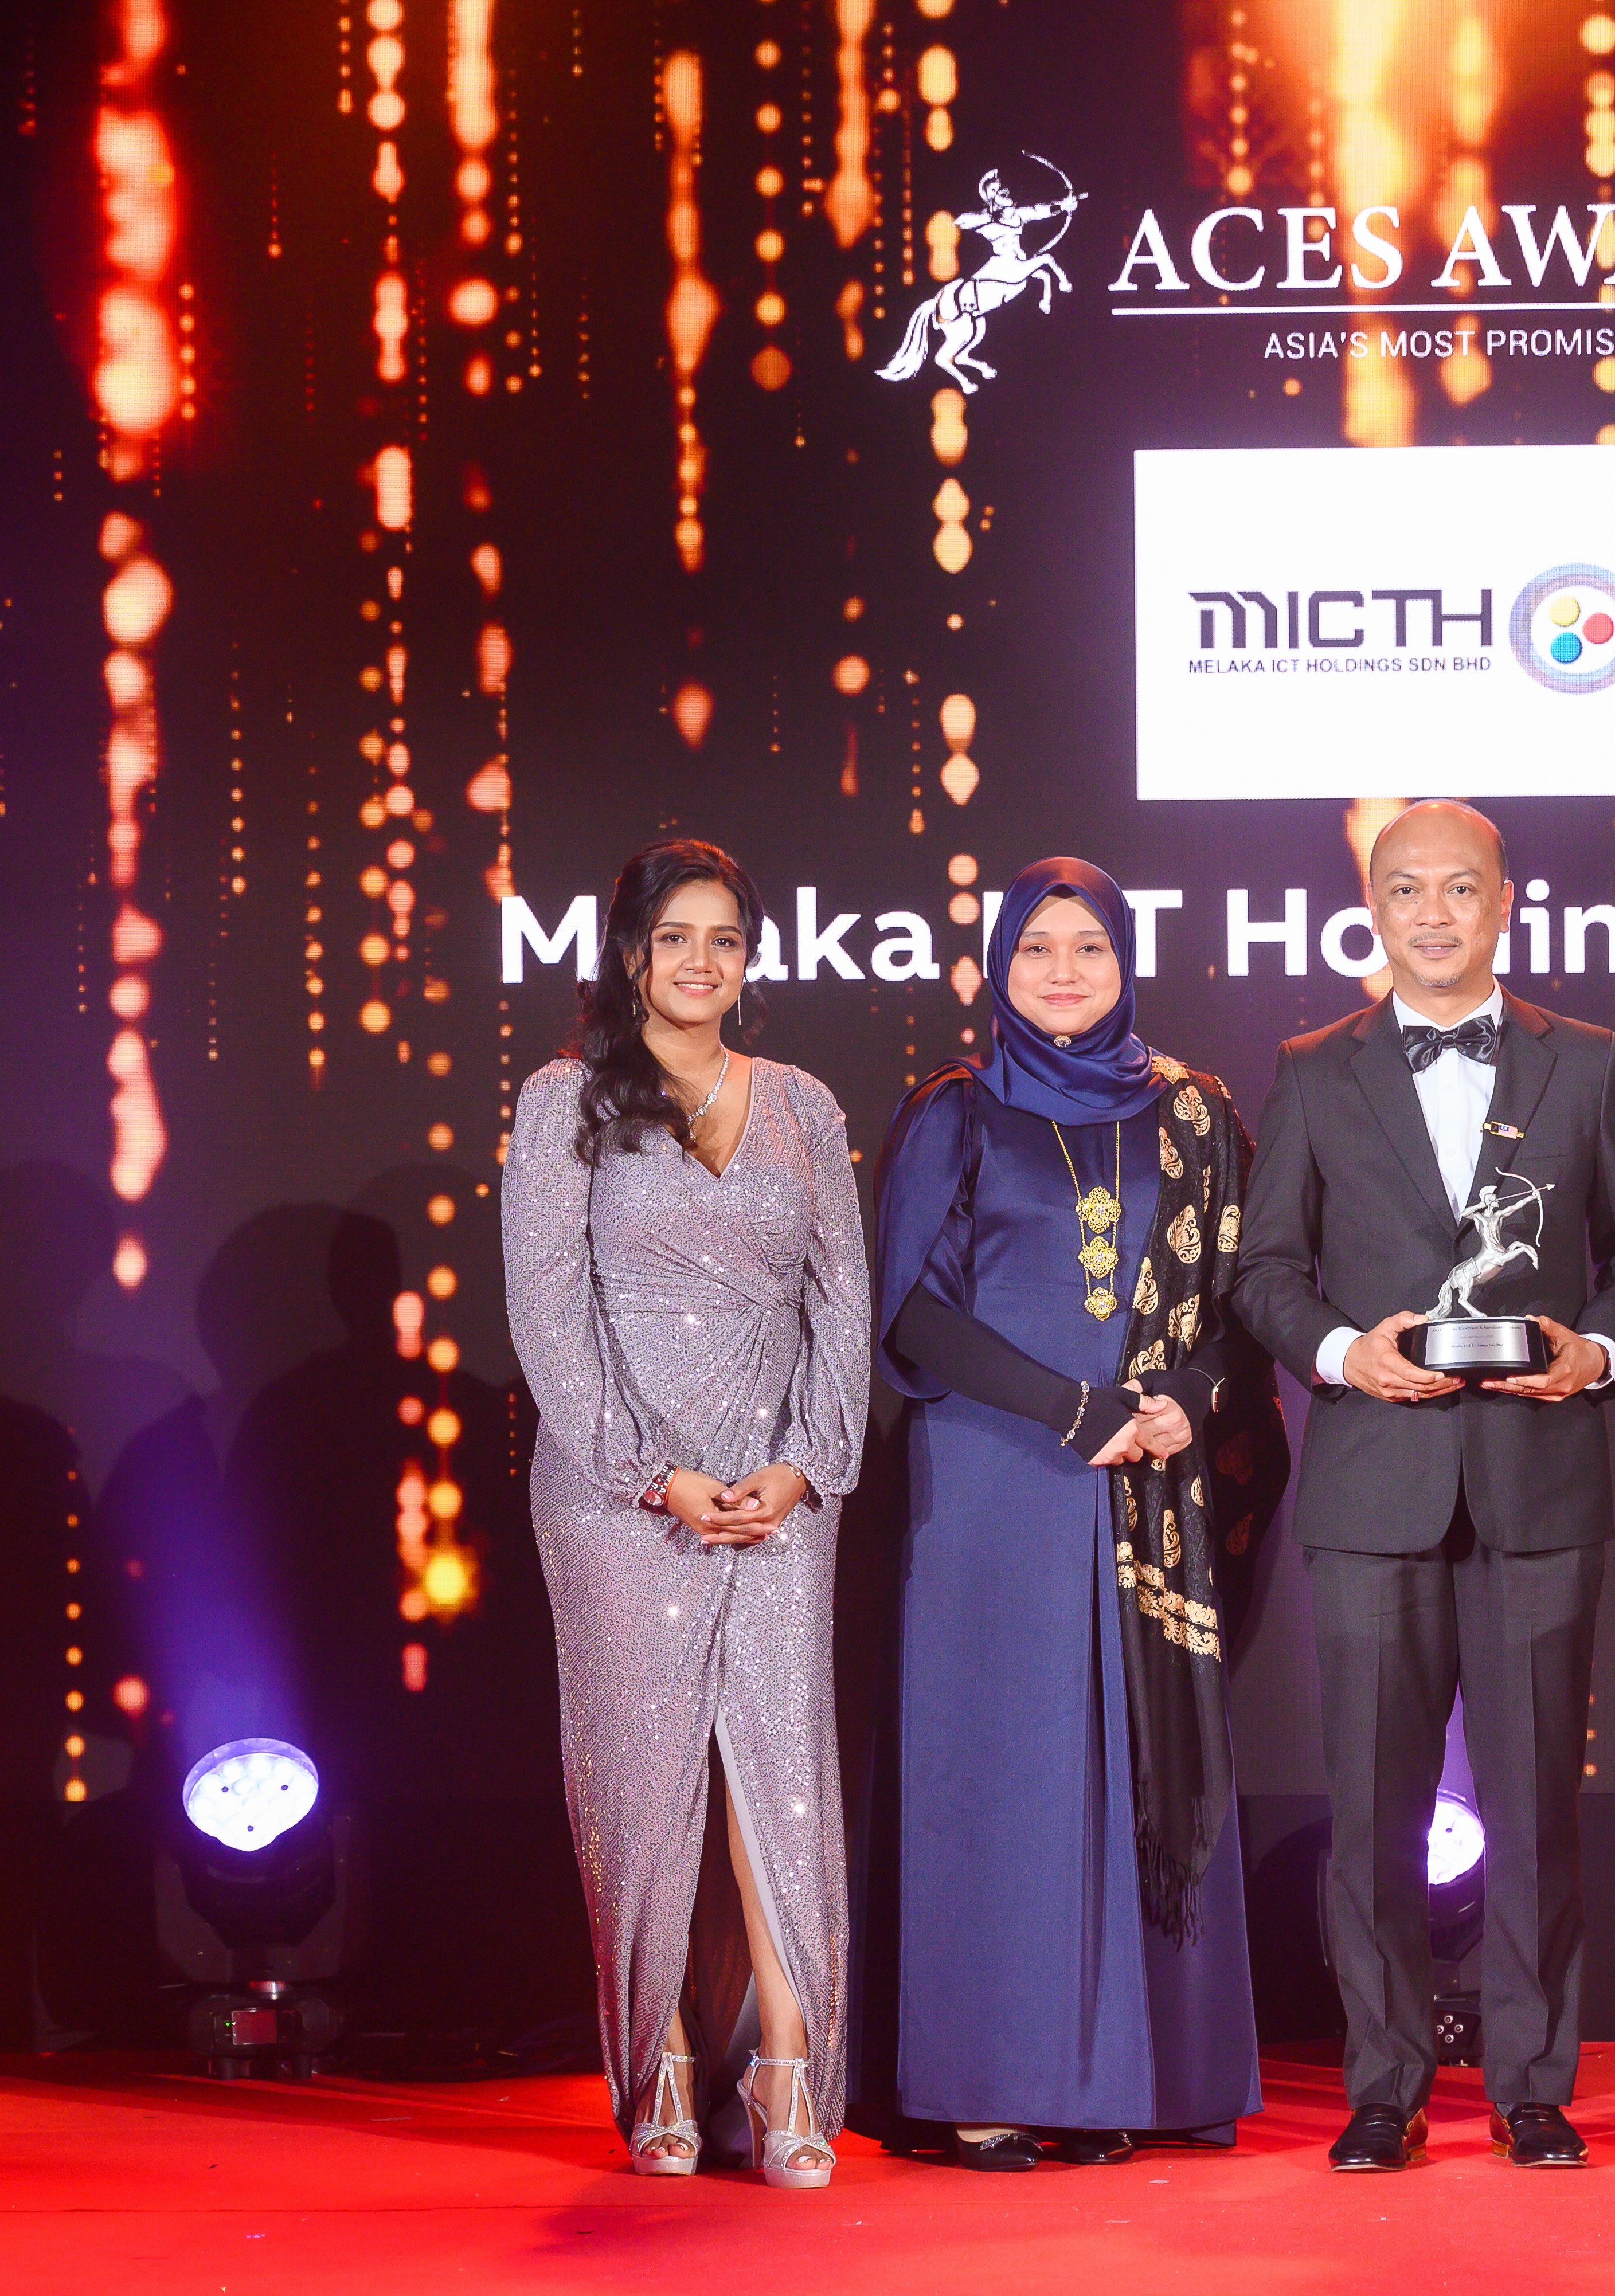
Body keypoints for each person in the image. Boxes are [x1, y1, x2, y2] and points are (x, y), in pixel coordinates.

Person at [1231, 800, 1615, 2173]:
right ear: (1374, 908)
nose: (1432, 912)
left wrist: (1593, 1350)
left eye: (1457, 888)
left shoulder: (1587, 1064)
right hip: (1373, 1487)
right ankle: (1384, 2081)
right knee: (1373, 1812)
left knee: (1536, 1807)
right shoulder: (1311, 1068)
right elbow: (1261, 1271)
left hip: (1540, 1482)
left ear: (1504, 901)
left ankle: (1535, 2084)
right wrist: (1344, 1351)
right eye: (1404, 889)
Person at [870, 857, 1285, 2169]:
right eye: (1037, 946)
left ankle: (1125, 2074)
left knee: (1130, 1766)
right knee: (1000, 1775)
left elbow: (1244, 1295)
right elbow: (913, 1310)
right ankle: (983, 2074)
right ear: (997, 965)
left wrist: (1185, 1394)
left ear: (1125, 964)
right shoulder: (956, 1109)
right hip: (996, 1487)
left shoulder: (1195, 1112)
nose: (1063, 970)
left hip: (1151, 1481)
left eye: (1090, 948)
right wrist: (1073, 1408)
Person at [500, 839, 869, 2188]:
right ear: (632, 955)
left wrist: (810, 1463)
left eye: (724, 935)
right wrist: (649, 1469)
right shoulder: (563, 1104)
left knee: (779, 1775)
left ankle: (786, 2063)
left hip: (779, 1486)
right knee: (643, 1777)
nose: (701, 960)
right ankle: (657, 2054)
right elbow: (548, 1307)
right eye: (675, 937)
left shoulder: (804, 1104)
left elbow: (842, 1296)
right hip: (617, 1497)